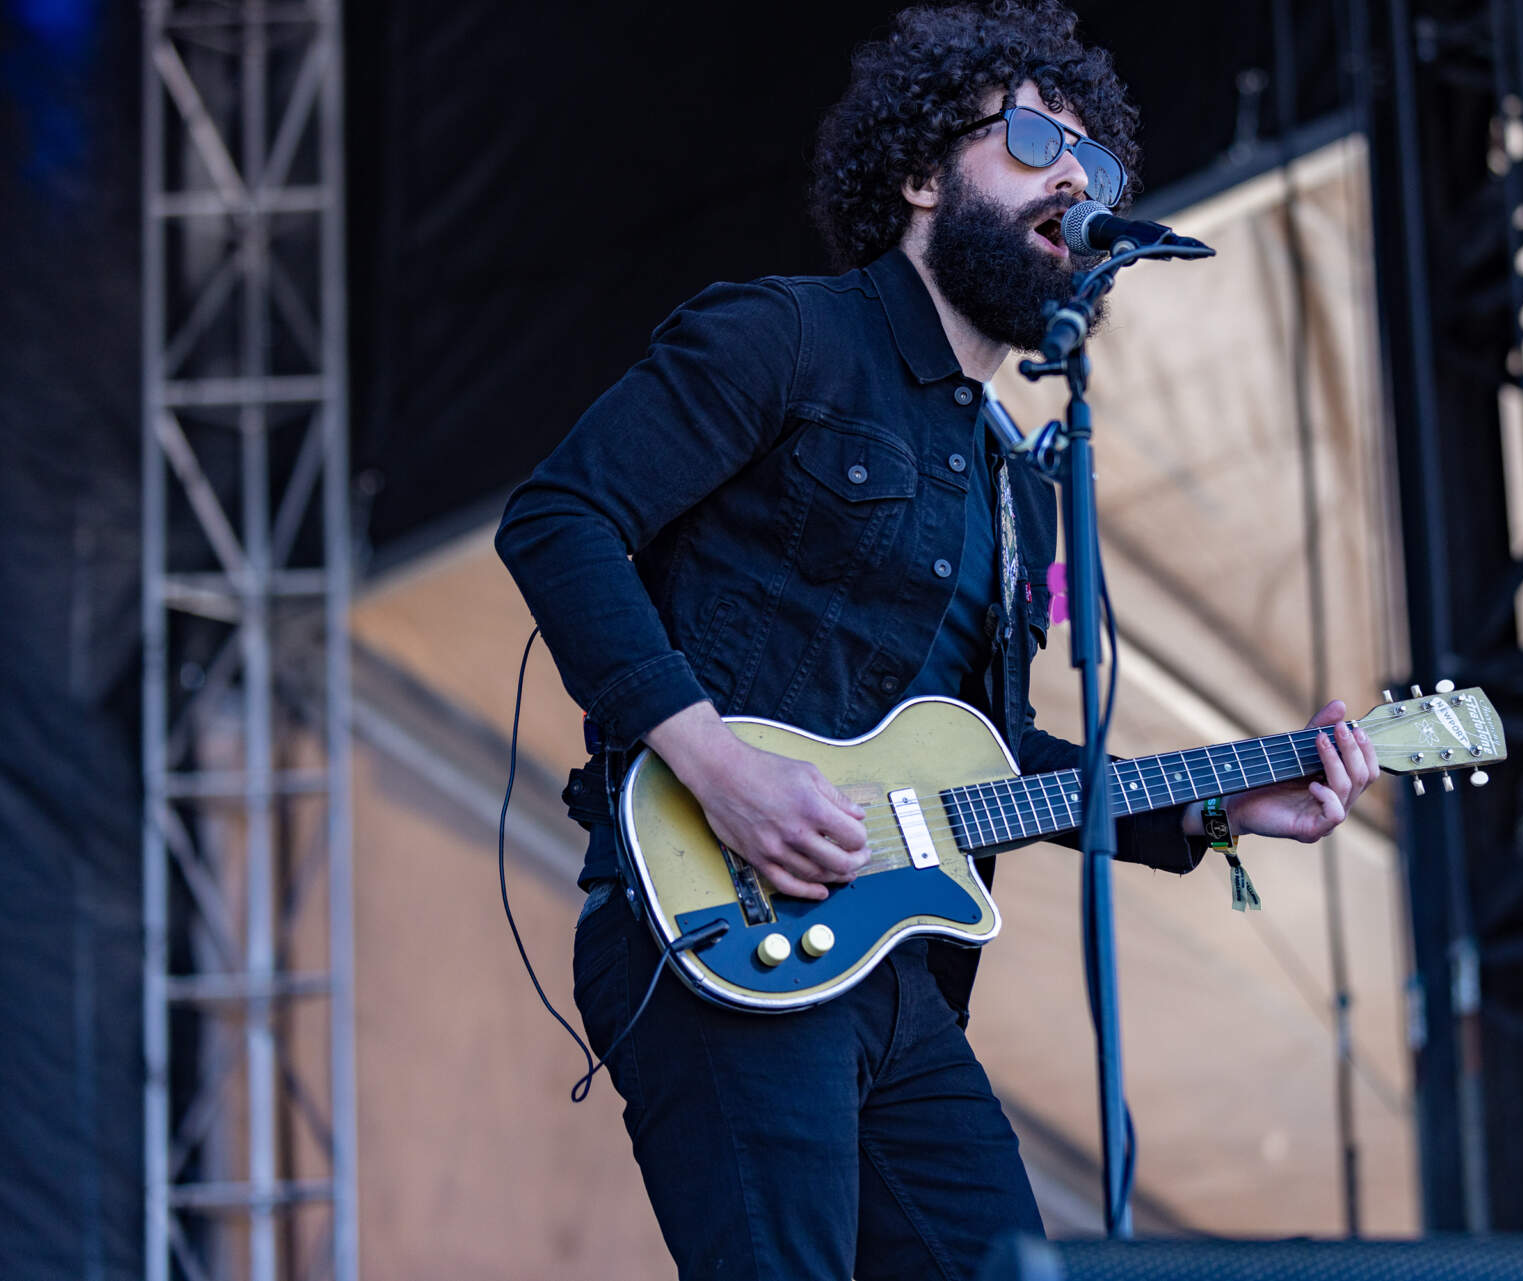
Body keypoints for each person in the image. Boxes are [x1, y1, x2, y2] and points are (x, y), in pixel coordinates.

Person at [495, 3, 1379, 1277]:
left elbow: (988, 754)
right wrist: (719, 767)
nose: (1076, 175)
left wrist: (1221, 809)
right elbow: (561, 519)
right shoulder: (784, 337)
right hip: (716, 926)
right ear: (919, 175)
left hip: (898, 974)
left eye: (1096, 160)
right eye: (1033, 137)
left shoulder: (1017, 485)